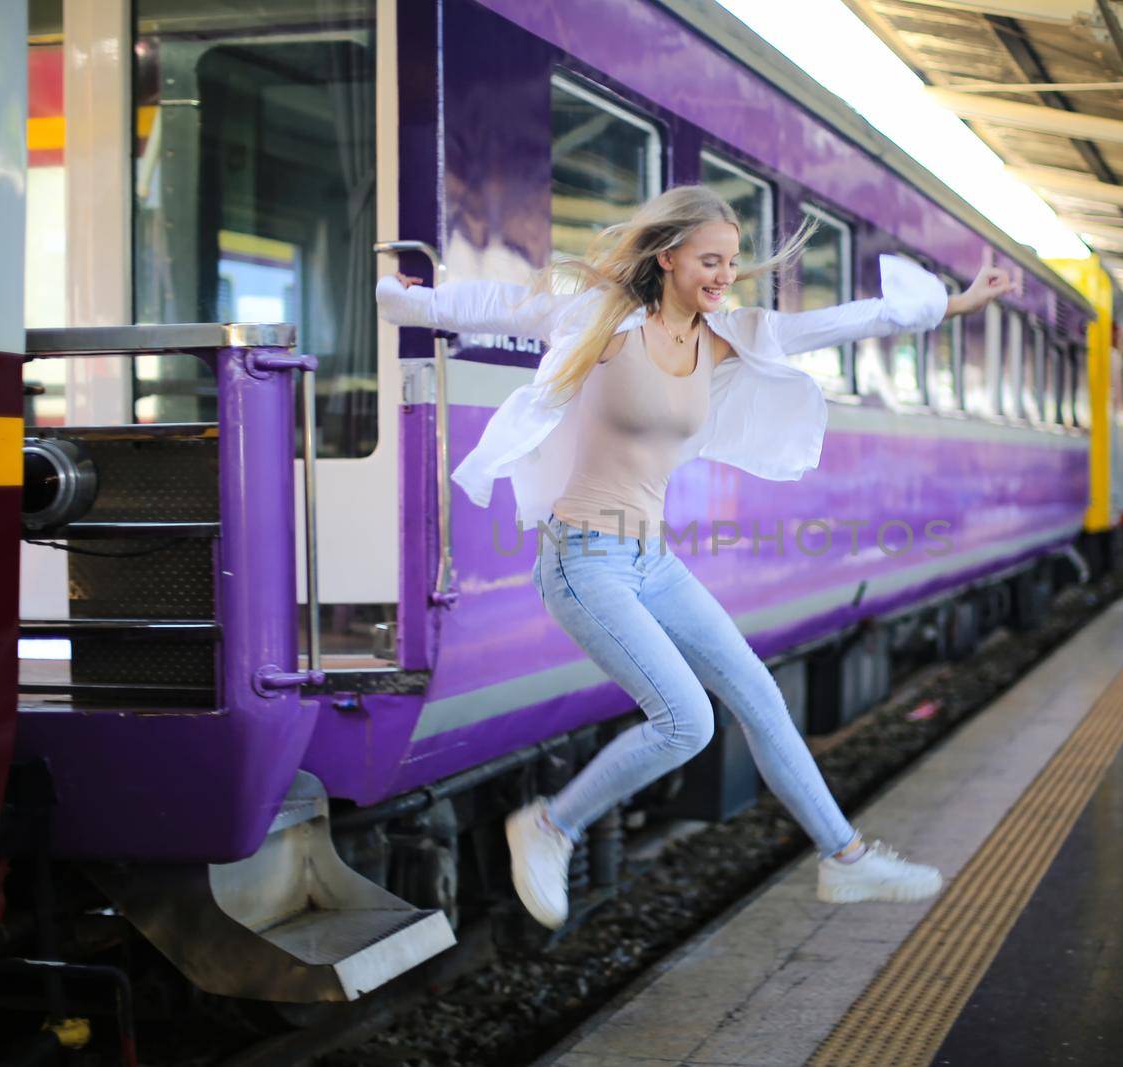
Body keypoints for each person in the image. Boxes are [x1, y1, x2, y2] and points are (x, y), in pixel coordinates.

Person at [376, 185, 1013, 929]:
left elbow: (833, 325)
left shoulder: (726, 335)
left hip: (652, 559)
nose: (723, 275)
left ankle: (844, 858)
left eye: (732, 264)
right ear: (668, 255)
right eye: (710, 261)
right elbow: (495, 305)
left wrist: (957, 306)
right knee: (685, 721)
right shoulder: (601, 317)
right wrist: (402, 300)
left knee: (760, 698)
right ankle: (551, 824)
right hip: (584, 561)